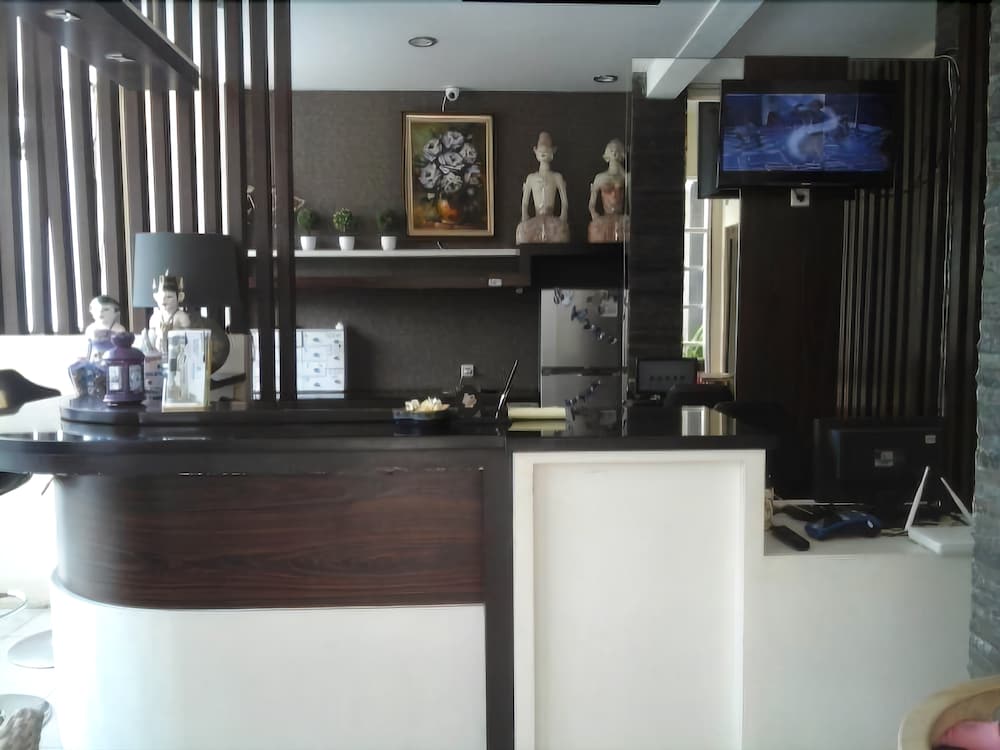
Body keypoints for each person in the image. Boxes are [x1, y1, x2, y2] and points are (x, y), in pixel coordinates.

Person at [515, 131, 570, 244]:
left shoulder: (557, 177)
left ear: (553, 151)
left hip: (552, 219)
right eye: (540, 150)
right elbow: (525, 202)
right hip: (536, 218)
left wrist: (563, 216)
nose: (543, 152)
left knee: (562, 232)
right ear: (535, 151)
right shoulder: (531, 178)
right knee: (521, 232)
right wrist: (525, 216)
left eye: (546, 150)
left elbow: (564, 201)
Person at [587, 138, 630, 243]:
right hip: (605, 217)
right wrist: (594, 214)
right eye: (611, 150)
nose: (614, 153)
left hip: (621, 217)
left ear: (621, 153)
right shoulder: (600, 177)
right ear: (607, 153)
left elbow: (630, 200)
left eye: (617, 150)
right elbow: (591, 204)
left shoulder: (626, 177)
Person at [140, 273, 191, 355]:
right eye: (160, 296)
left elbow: (188, 339)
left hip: (176, 353)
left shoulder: (181, 317)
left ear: (180, 297)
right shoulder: (154, 317)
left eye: (169, 297)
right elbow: (152, 339)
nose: (163, 300)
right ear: (155, 296)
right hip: (157, 353)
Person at [84, 295, 126, 362]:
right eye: (96, 309)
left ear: (116, 312)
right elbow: (88, 349)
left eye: (106, 309)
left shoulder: (119, 329)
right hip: (95, 360)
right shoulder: (90, 329)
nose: (100, 312)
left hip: (113, 359)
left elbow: (122, 350)